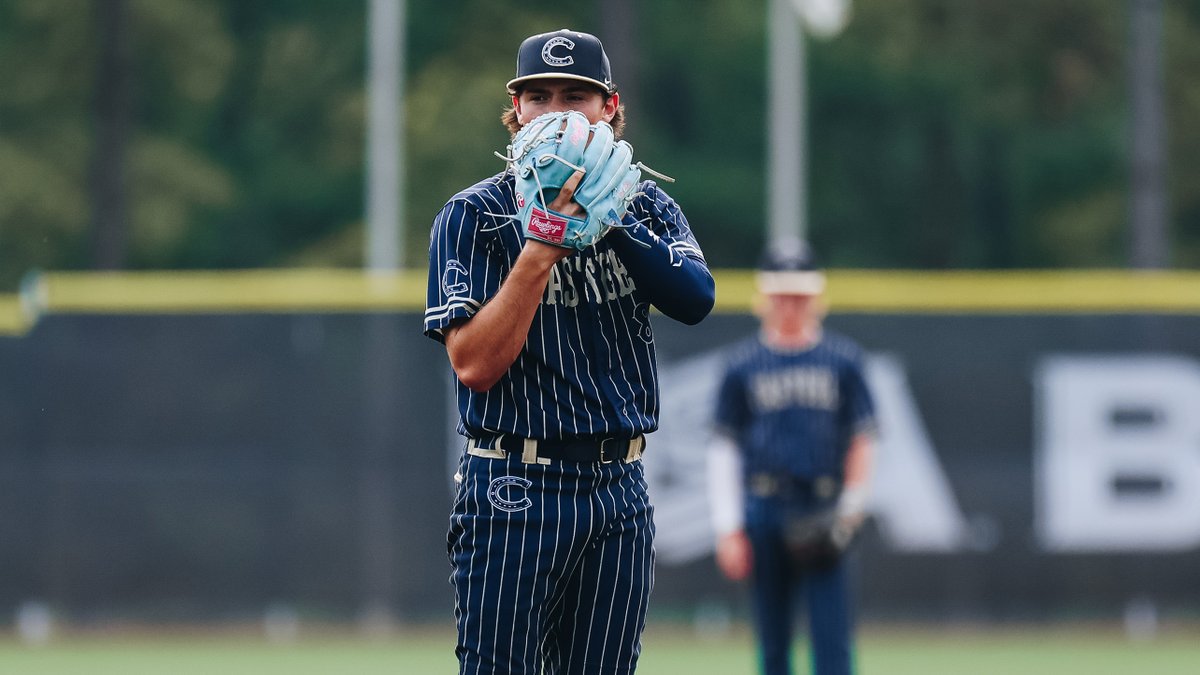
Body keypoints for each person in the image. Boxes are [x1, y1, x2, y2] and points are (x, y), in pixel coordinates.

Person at [424, 28, 715, 675]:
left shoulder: (644, 203)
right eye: (540, 95)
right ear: (515, 109)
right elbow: (474, 362)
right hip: (514, 485)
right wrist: (541, 246)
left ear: (611, 107)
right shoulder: (474, 215)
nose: (557, 110)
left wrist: (611, 218)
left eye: (576, 96)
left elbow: (696, 298)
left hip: (617, 487)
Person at [706, 241, 876, 675]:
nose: (790, 305)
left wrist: (852, 508)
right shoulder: (741, 364)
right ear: (764, 297)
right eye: (781, 294)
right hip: (764, 508)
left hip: (824, 506)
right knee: (773, 645)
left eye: (798, 295)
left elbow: (863, 438)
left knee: (833, 647)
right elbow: (724, 448)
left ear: (816, 297)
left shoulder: (844, 360)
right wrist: (729, 528)